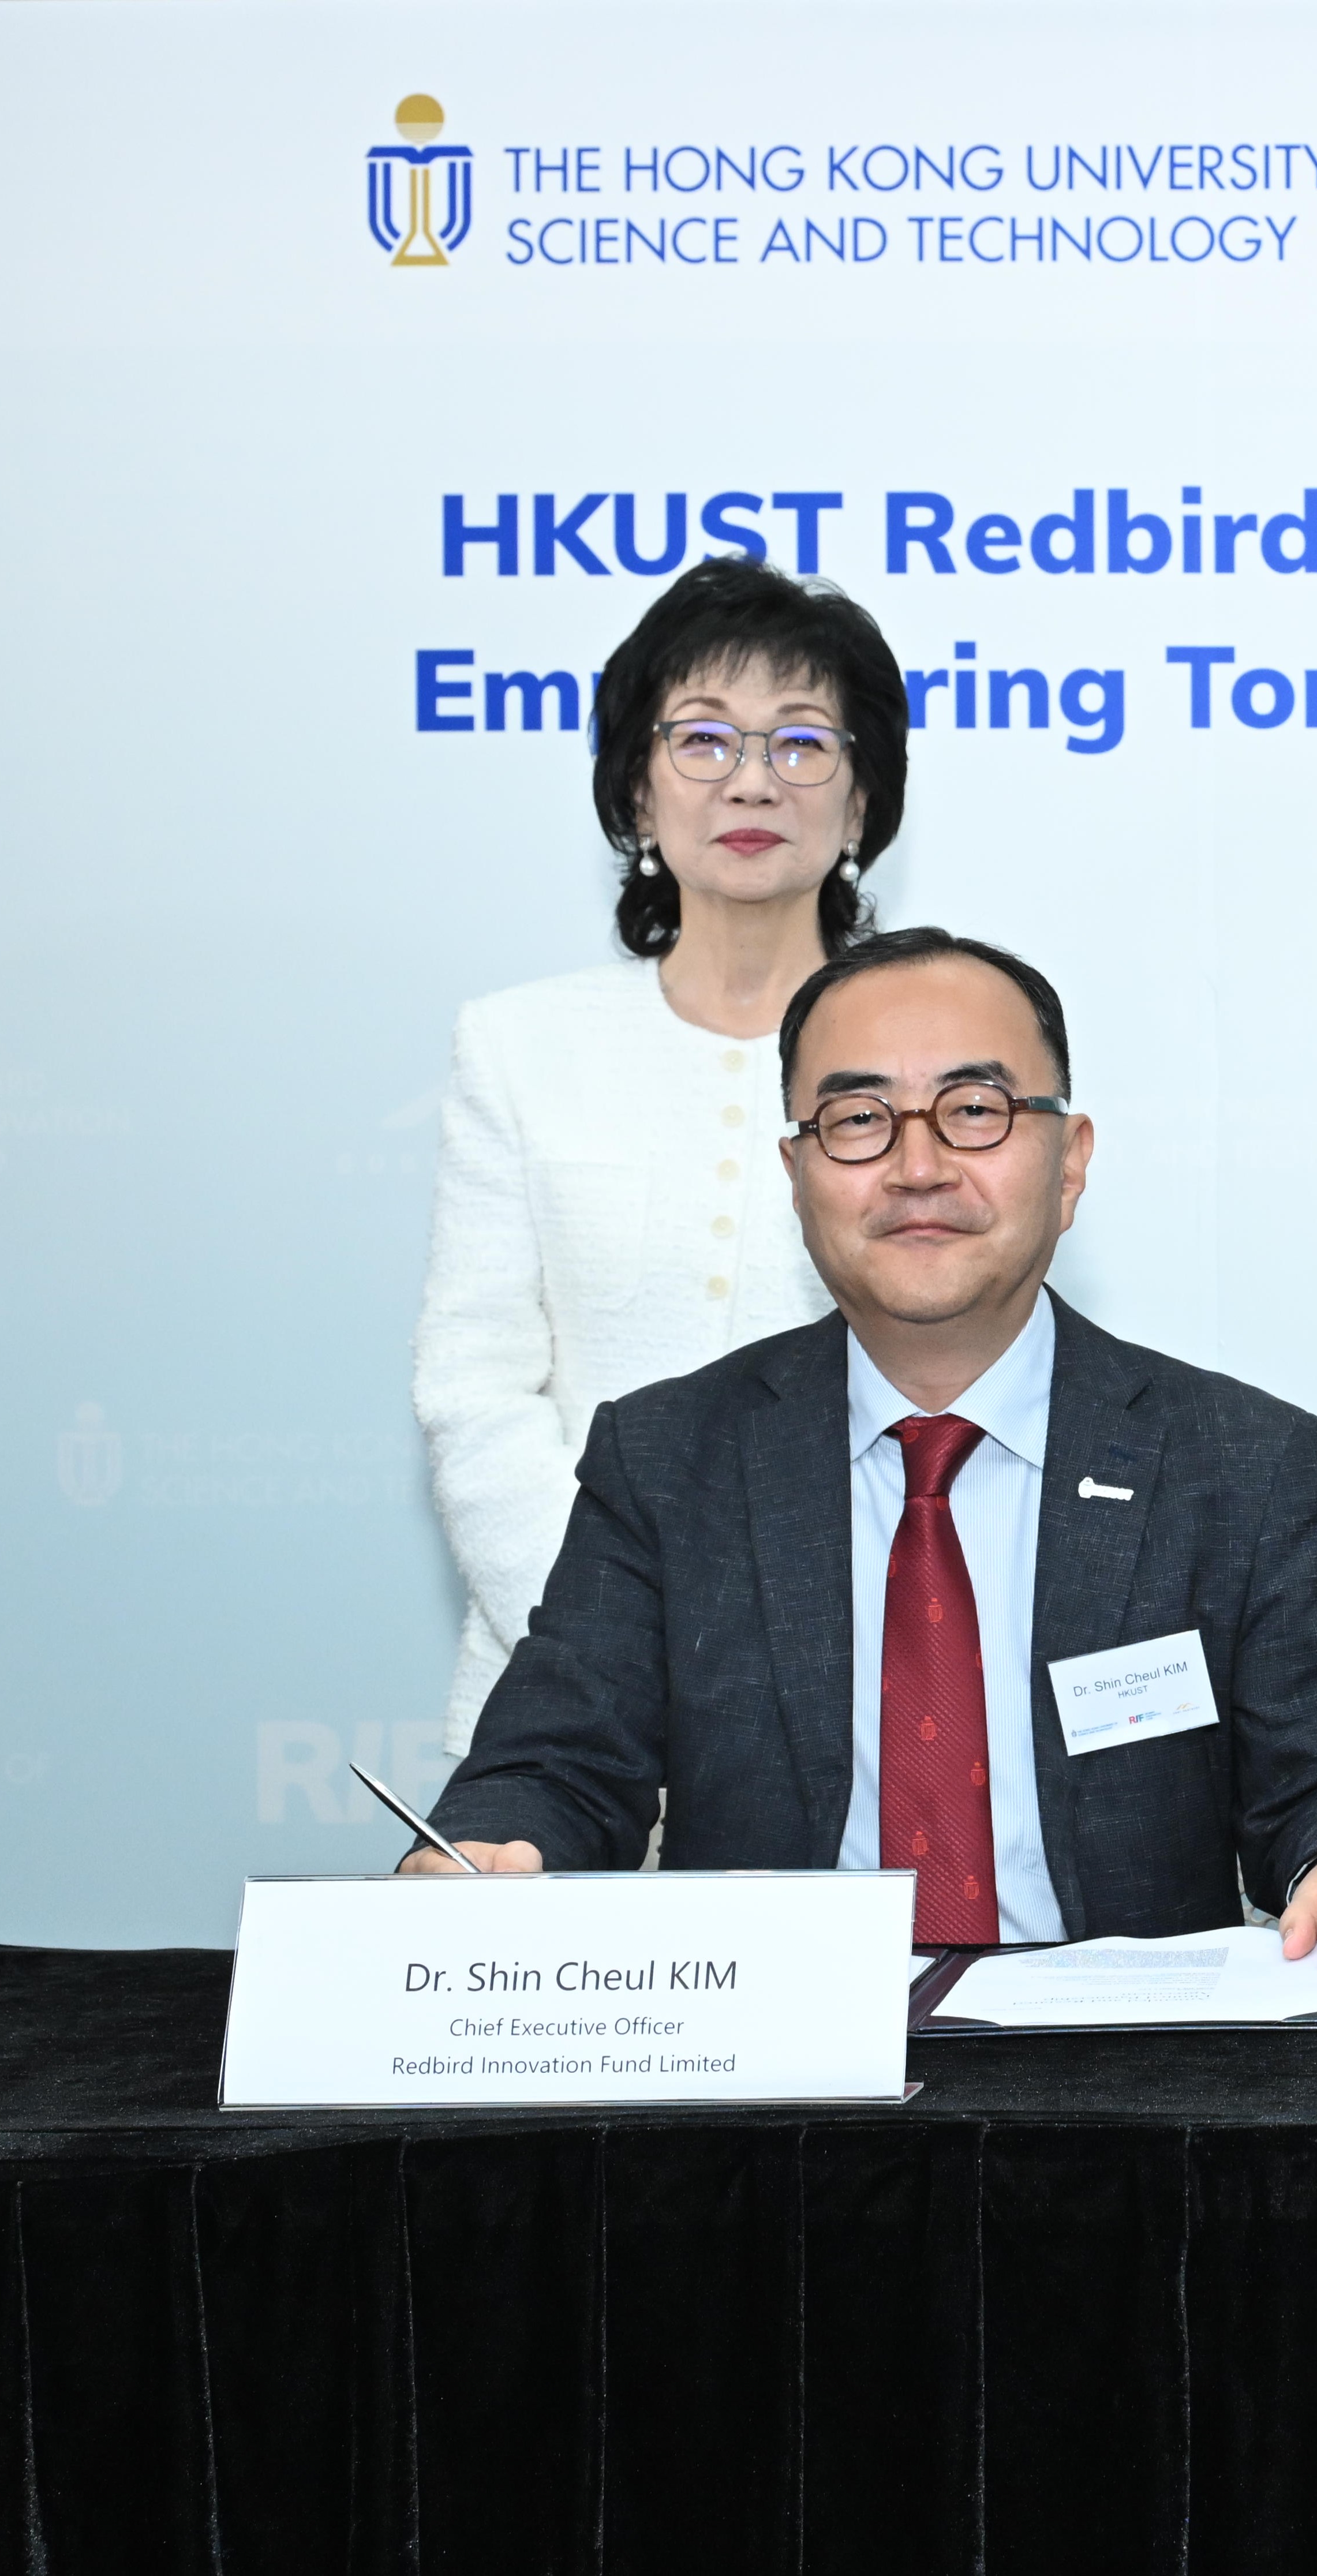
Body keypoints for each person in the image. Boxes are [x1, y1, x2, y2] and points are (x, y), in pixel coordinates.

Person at [419, 927, 1317, 1972]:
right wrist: (490, 1851)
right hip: (773, 2081)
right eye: (858, 1119)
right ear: (796, 1174)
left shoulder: (1237, 1461)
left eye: (975, 1111)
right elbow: (556, 1765)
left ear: (1070, 1162)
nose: (918, 1168)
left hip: (1123, 2091)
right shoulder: (668, 1458)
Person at [414, 557, 903, 1755]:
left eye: (800, 744)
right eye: (702, 740)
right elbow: (475, 1388)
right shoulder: (520, 1044)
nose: (751, 779)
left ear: (859, 807)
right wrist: (607, 1637)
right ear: (635, 789)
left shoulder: (924, 1056)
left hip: (860, 1691)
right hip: (563, 1698)